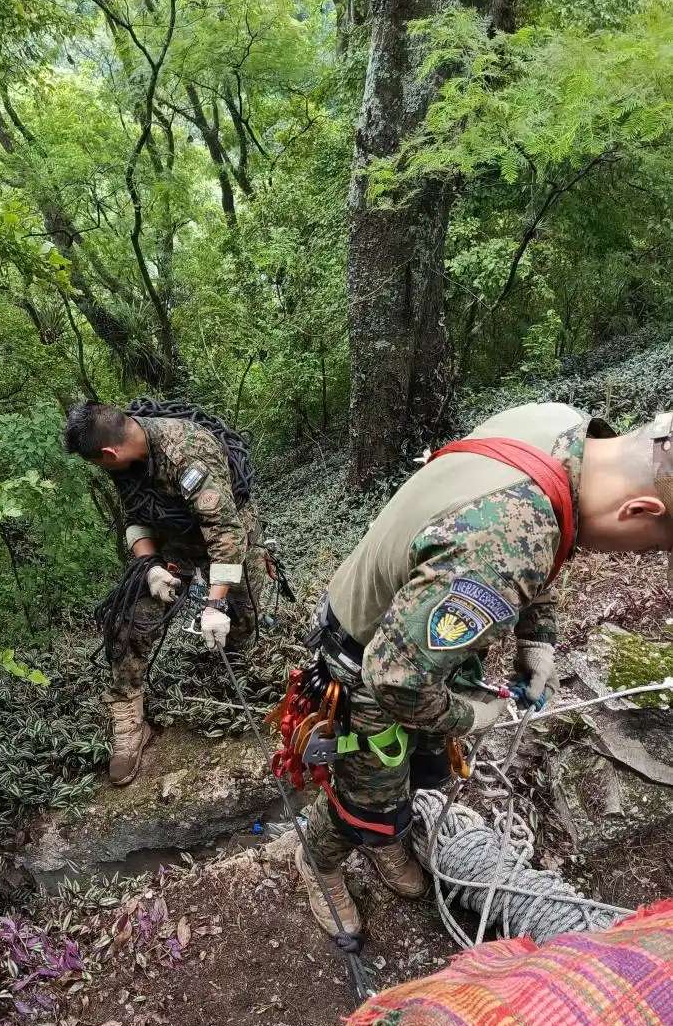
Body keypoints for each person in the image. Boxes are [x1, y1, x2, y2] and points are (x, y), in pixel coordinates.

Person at [295, 404, 673, 937]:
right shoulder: (503, 544)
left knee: (425, 770)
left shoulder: (558, 426)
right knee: (367, 794)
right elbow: (396, 680)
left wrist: (536, 640)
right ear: (640, 510)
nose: (640, 556)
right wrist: (473, 717)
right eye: (655, 544)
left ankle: (389, 836)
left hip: (410, 634)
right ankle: (321, 859)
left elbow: (543, 533)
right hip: (370, 662)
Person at [64, 401, 266, 786]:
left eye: (97, 463)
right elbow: (135, 516)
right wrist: (151, 567)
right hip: (173, 544)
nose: (100, 468)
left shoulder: (187, 454)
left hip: (231, 539)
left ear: (109, 453)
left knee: (240, 622)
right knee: (128, 621)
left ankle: (235, 669)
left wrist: (214, 603)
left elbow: (226, 536)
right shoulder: (124, 462)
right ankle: (129, 719)